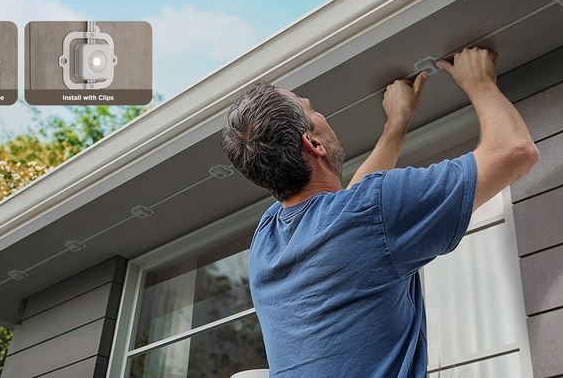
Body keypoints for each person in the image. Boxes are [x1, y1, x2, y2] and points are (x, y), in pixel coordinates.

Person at [221, 48, 539, 377]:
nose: (321, 114)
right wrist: (479, 82)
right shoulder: (368, 212)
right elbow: (515, 151)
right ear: (313, 144)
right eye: (311, 110)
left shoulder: (267, 239)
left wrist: (395, 127)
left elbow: (351, 218)